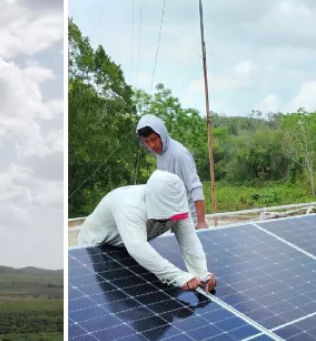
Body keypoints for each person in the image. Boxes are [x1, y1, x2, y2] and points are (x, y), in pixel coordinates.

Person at [76, 169, 218, 292]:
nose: (170, 221)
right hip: (96, 247)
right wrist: (179, 277)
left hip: (124, 246)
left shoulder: (178, 205)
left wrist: (202, 273)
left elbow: (189, 240)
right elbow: (138, 248)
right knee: (117, 291)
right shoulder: (130, 206)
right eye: (164, 218)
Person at [136, 115, 208, 229]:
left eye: (154, 139)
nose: (151, 145)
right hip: (174, 220)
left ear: (162, 135)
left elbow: (195, 187)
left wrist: (201, 222)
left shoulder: (180, 154)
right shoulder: (160, 153)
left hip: (190, 223)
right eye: (146, 141)